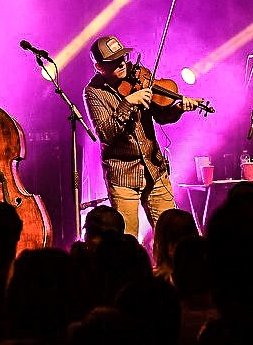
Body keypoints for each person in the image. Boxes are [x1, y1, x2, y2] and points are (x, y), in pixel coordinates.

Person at [83, 35, 203, 240]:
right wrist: (128, 103)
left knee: (171, 236)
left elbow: (161, 115)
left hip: (154, 169)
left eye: (123, 57)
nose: (122, 63)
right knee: (126, 240)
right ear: (99, 67)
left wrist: (178, 109)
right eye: (114, 61)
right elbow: (105, 134)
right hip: (123, 176)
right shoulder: (93, 92)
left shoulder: (139, 76)